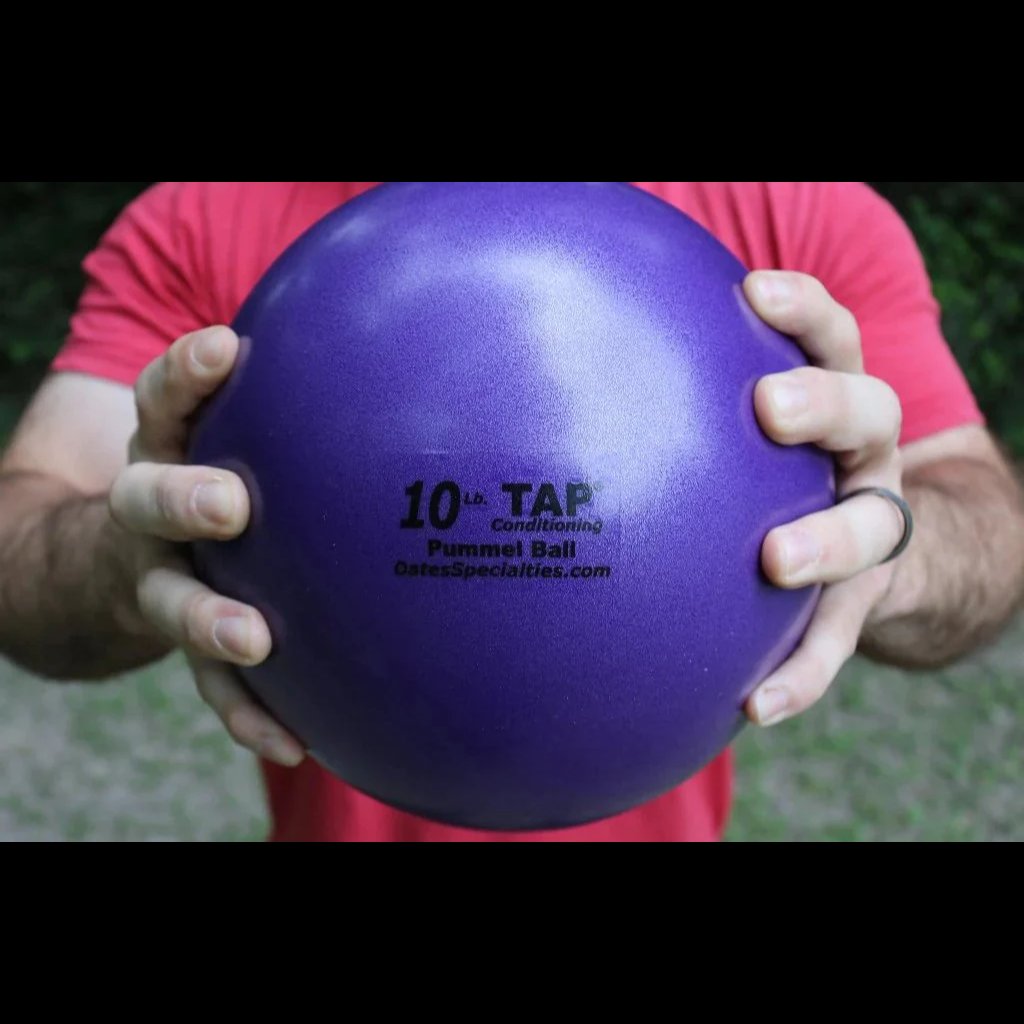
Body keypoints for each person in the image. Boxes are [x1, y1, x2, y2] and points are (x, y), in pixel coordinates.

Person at [1, 181, 1022, 844]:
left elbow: (980, 518)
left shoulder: (799, 214)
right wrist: (121, 554)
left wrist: (887, 546)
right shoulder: (202, 217)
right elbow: (22, 543)